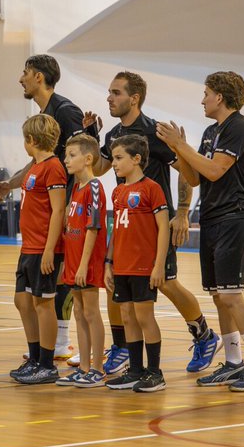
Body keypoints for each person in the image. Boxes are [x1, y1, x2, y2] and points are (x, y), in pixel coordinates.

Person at [85, 71, 219, 376]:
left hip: (155, 222)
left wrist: (182, 212)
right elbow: (102, 168)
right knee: (115, 283)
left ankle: (204, 335)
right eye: (109, 92)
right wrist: (93, 138)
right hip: (124, 222)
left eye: (116, 93)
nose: (109, 97)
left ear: (134, 98)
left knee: (167, 282)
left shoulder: (154, 132)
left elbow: (186, 171)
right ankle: (121, 346)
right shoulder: (113, 135)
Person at [160, 71, 244, 392]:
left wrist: (181, 144)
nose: (202, 99)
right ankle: (233, 362)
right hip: (211, 217)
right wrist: (176, 153)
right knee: (217, 296)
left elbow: (214, 170)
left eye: (206, 93)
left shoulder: (239, 126)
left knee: (230, 295)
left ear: (220, 97)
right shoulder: (213, 130)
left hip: (233, 218)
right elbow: (196, 178)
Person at [0, 55, 102, 362]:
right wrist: (10, 184)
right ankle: (53, 345)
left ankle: (65, 341)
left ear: (39, 77)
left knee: (62, 281)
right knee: (42, 289)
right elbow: (40, 161)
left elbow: (79, 157)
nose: (21, 79)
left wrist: (69, 205)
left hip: (67, 211)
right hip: (47, 215)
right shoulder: (44, 115)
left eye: (25, 72)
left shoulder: (65, 110)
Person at [102, 135, 170, 393]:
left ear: (137, 159)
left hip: (143, 266)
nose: (115, 164)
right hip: (121, 265)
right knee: (128, 316)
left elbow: (163, 228)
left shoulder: (151, 188)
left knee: (144, 316)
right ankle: (135, 370)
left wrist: (158, 265)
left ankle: (155, 372)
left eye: (119, 158)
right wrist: (109, 262)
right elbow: (115, 230)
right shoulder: (118, 191)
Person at [9, 115, 68, 385]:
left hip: (43, 247)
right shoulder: (35, 166)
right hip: (28, 246)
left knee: (43, 304)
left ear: (31, 140)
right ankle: (33, 358)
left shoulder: (53, 168)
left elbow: (58, 210)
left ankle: (46, 364)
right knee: (22, 301)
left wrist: (49, 250)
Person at [57, 134, 109, 387]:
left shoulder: (94, 187)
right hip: (74, 261)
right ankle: (85, 367)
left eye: (72, 155)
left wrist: (82, 264)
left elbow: (93, 228)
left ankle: (97, 369)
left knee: (90, 312)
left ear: (88, 159)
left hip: (87, 263)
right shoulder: (75, 188)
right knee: (78, 312)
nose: (66, 160)